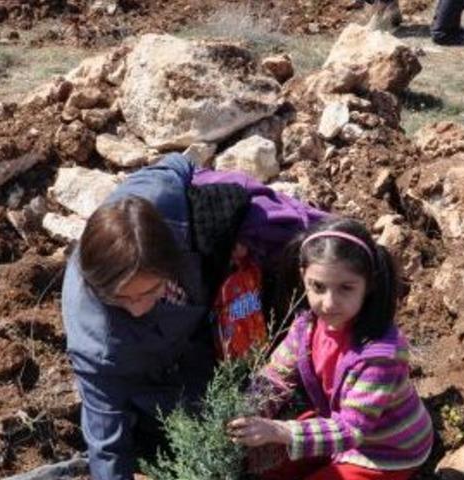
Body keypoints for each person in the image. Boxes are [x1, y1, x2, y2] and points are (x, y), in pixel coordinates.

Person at [62, 153, 327, 480]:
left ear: (170, 262)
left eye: (148, 291)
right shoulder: (97, 344)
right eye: (121, 297)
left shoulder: (162, 202)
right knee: (190, 427)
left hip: (203, 312)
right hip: (149, 363)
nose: (136, 307)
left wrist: (226, 229)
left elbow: (180, 165)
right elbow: (107, 438)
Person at [227, 218, 434, 480]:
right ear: (304, 277)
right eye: (318, 287)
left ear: (368, 285)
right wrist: (246, 411)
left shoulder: (382, 354)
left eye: (346, 288)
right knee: (266, 466)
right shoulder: (307, 326)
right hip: (336, 428)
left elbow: (352, 429)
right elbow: (276, 376)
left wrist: (279, 430)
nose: (329, 303)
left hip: (387, 450)